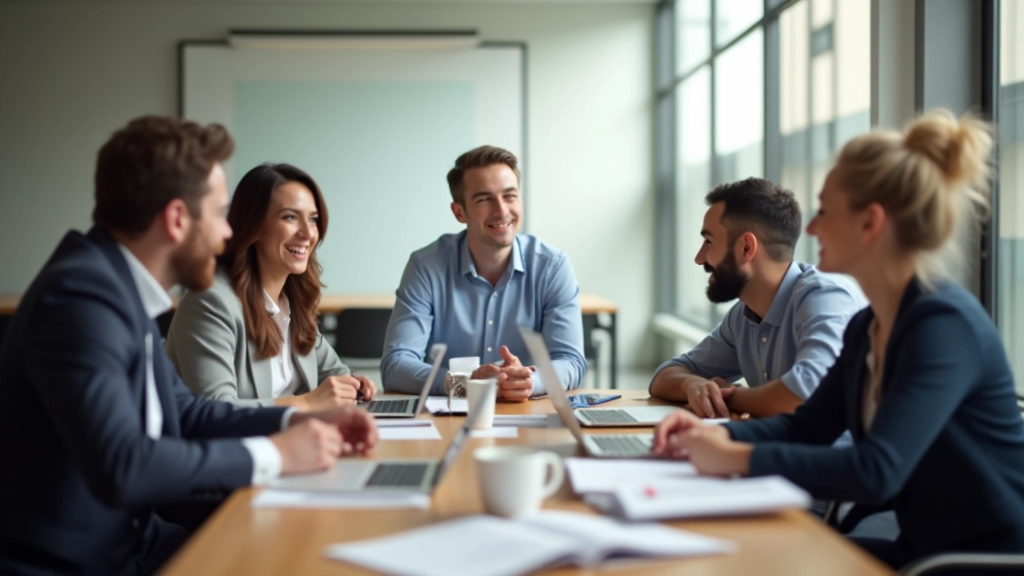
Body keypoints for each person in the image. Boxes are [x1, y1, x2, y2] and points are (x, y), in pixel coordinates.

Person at [0, 116, 378, 576]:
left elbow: (188, 412)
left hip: (133, 540)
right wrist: (278, 453)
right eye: (220, 215)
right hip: (78, 561)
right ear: (177, 219)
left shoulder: (117, 286)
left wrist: (298, 418)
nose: (226, 233)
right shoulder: (80, 298)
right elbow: (125, 464)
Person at [652, 110, 1024, 571]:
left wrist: (737, 455)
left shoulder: (942, 325)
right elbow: (807, 426)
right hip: (923, 549)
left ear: (870, 223)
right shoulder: (868, 325)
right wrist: (711, 434)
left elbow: (877, 471)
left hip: (979, 562)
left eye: (825, 211)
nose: (810, 229)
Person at [381, 145, 586, 401]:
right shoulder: (426, 267)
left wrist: (529, 382)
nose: (501, 211)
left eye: (510, 196)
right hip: (449, 422)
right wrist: (465, 383)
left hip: (528, 414)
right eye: (484, 199)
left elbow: (572, 361)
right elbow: (395, 365)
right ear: (459, 212)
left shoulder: (552, 266)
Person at [166, 163, 376, 410]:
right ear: (254, 227)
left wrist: (353, 384)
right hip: (236, 446)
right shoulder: (210, 301)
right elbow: (216, 410)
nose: (308, 233)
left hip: (296, 441)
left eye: (313, 219)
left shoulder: (293, 301)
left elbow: (333, 371)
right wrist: (307, 402)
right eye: (290, 217)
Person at [649, 178, 863, 418]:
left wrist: (728, 397)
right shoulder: (743, 315)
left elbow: (806, 394)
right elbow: (664, 376)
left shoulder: (825, 296)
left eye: (709, 241)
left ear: (746, 248)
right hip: (778, 448)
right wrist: (692, 385)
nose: (699, 258)